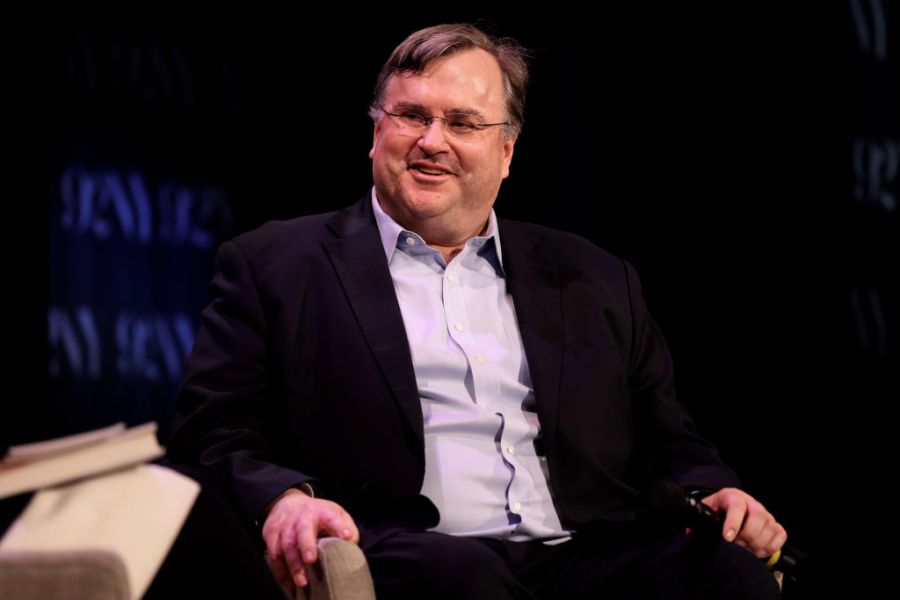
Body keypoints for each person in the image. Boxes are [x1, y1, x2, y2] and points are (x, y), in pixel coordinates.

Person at [168, 23, 787, 599]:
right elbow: (212, 431)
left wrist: (716, 489)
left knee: (724, 574)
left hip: (586, 551)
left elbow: (669, 439)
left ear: (508, 153)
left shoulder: (595, 276)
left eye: (463, 123)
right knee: (464, 578)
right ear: (375, 132)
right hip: (413, 550)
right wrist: (284, 498)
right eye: (411, 116)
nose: (431, 142)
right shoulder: (276, 263)